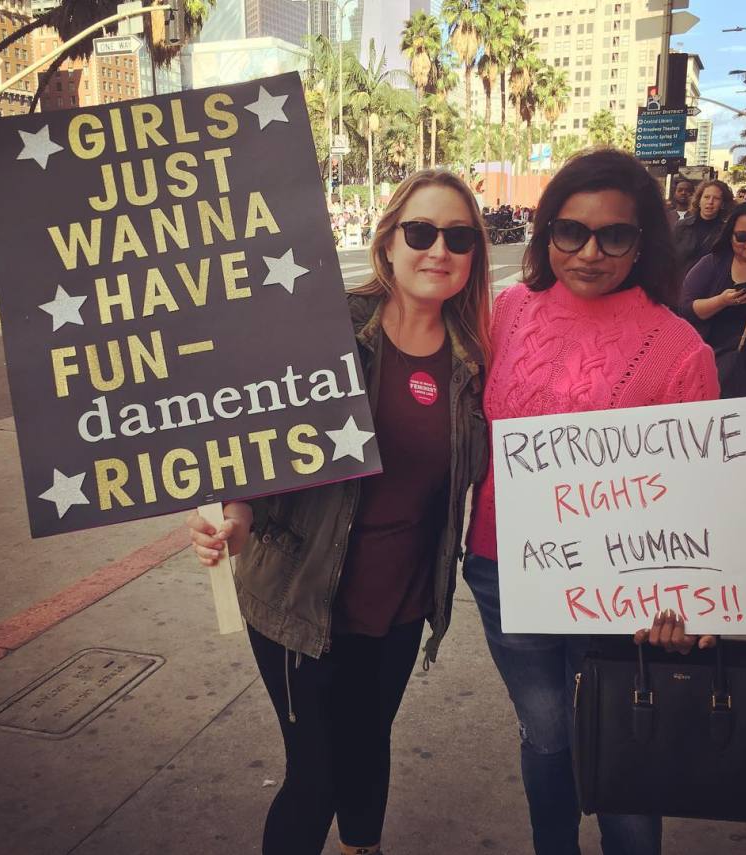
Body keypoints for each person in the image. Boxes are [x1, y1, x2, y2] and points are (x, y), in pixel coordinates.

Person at [187, 169, 491, 855]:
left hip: (400, 605)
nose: (437, 249)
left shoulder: (474, 361)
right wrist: (233, 518)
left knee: (366, 747)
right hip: (300, 596)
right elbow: (257, 444)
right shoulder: (326, 331)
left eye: (458, 237)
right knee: (315, 773)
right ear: (388, 243)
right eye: (420, 232)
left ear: (474, 254)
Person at [463, 148, 719, 855]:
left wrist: (684, 601)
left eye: (614, 234)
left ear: (643, 243)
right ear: (546, 231)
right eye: (569, 230)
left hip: (623, 590)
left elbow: (698, 502)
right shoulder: (510, 309)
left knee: (621, 744)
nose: (588, 251)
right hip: (501, 568)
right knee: (544, 736)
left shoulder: (678, 349)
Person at [680, 201, 746, 397]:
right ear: (730, 235)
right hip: (721, 373)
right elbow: (685, 309)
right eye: (742, 236)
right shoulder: (713, 264)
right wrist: (721, 301)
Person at [673, 179, 733, 277]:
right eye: (706, 197)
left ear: (723, 204)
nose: (710, 202)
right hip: (681, 283)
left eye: (716, 198)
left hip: (711, 285)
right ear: (699, 200)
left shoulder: (726, 231)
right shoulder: (681, 226)